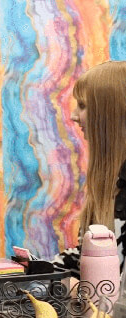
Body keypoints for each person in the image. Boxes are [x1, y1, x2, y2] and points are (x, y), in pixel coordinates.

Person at [53, 60, 126, 277]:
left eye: (83, 105)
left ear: (110, 113)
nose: (74, 115)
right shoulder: (109, 180)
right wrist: (25, 271)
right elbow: (84, 258)